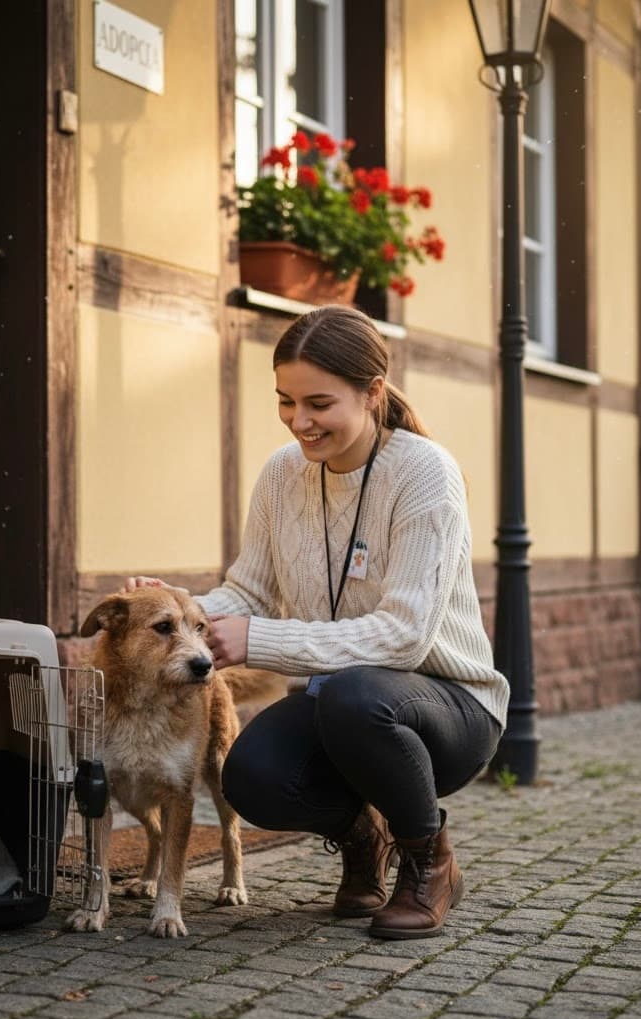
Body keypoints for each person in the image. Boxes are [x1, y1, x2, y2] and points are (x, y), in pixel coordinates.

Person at [124, 304, 508, 940]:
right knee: (249, 777)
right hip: (340, 705)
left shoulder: (425, 474)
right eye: (286, 401)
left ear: (373, 392)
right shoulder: (282, 474)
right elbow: (248, 591)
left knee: (357, 695)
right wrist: (176, 609)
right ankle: (363, 837)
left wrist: (262, 640)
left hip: (448, 710)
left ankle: (428, 861)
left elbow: (405, 636)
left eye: (319, 403)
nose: (299, 420)